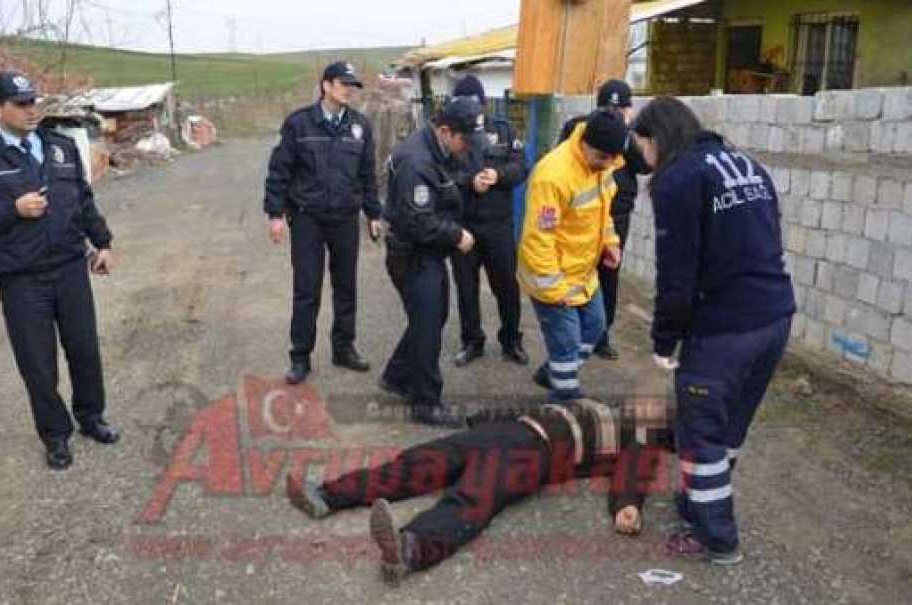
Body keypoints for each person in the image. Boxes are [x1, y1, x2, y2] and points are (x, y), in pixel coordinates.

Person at [631, 96, 796, 565]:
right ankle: (700, 499)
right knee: (729, 425)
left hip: (725, 329)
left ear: (655, 139)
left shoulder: (679, 178)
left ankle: (714, 538)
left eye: (640, 145)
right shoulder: (743, 163)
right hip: (774, 314)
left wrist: (664, 343)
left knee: (700, 429)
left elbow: (676, 276)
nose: (641, 157)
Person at [287, 396, 673, 585]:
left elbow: (635, 468)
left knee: (475, 497)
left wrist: (627, 505)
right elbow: (532, 408)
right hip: (502, 432)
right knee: (418, 462)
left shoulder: (637, 433)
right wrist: (480, 419)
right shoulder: (593, 402)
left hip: (534, 454)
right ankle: (326, 495)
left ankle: (410, 548)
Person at [0, 71, 118, 470]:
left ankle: (91, 417)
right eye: (20, 104)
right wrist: (11, 209)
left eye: (34, 101)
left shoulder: (61, 147)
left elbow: (83, 200)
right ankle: (55, 435)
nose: (31, 109)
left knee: (84, 350)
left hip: (70, 267)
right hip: (21, 278)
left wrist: (102, 242)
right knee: (38, 362)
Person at [264, 61, 383, 384]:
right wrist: (275, 214)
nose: (349, 90)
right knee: (307, 290)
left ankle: (344, 348)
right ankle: (300, 356)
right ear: (326, 86)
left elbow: (366, 176)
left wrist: (373, 214)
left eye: (352, 85)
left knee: (346, 287)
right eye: (343, 84)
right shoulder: (299, 124)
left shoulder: (360, 127)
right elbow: (279, 171)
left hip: (345, 218)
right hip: (308, 219)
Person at [378, 97, 481, 427]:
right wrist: (456, 236)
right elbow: (418, 222)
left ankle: (396, 375)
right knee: (428, 324)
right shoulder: (416, 161)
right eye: (464, 140)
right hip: (414, 254)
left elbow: (448, 184)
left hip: (425, 253)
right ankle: (426, 402)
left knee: (431, 318)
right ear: (446, 131)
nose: (467, 148)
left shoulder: (437, 150)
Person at [518, 110, 625, 401]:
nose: (608, 165)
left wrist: (610, 243)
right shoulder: (553, 175)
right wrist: (555, 290)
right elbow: (538, 239)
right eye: (603, 157)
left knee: (595, 327)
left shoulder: (602, 166)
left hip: (583, 273)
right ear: (585, 144)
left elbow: (603, 212)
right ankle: (566, 407)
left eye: (612, 159)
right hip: (551, 279)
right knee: (566, 344)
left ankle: (553, 374)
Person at [558, 79, 651, 360]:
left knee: (595, 274)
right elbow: (646, 166)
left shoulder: (621, 132)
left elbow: (644, 165)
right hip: (592, 215)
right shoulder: (584, 127)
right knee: (599, 274)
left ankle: (593, 336)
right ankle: (593, 336)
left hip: (609, 216)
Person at [447, 76, 529, 368]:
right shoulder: (450, 136)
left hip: (498, 226)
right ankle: (472, 341)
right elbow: (440, 177)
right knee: (466, 287)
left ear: (483, 104)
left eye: (476, 105)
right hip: (464, 225)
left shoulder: (503, 131)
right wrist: (469, 182)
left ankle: (511, 340)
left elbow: (521, 167)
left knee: (506, 286)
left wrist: (498, 176)